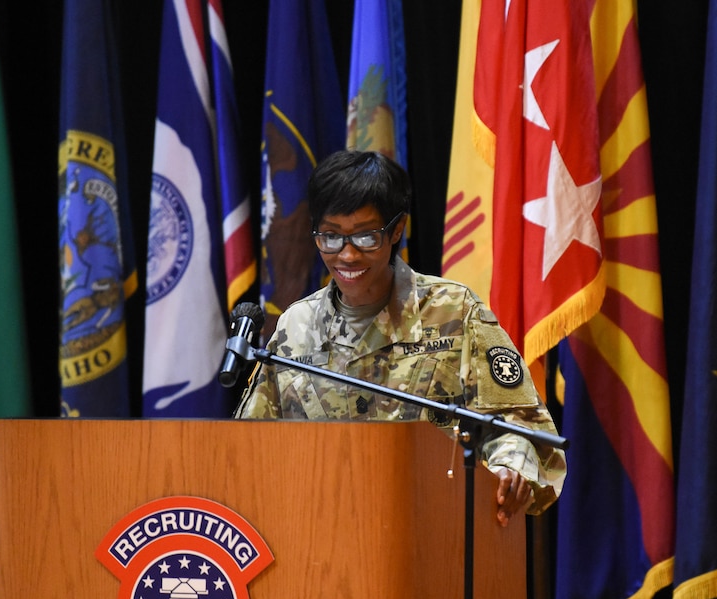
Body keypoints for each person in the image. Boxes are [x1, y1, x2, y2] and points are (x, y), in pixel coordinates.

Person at [235, 150, 566, 526]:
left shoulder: (454, 312)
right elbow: (250, 450)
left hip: (433, 537)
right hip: (317, 542)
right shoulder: (295, 326)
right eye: (330, 236)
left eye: (365, 236)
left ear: (396, 230)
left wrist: (510, 468)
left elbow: (520, 425)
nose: (347, 254)